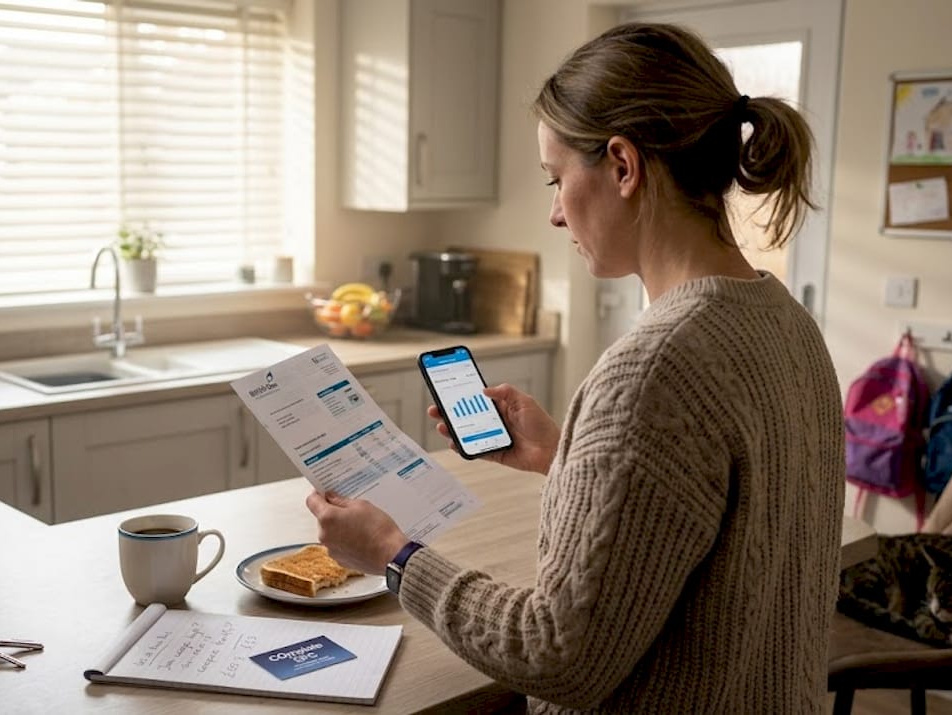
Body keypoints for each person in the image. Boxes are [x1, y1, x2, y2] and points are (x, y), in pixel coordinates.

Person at [306, 22, 844, 714]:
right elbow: (723, 536)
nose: (556, 213)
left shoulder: (657, 367)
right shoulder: (787, 324)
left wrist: (393, 553)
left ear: (623, 165)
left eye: (558, 178)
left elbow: (556, 654)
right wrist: (566, 455)